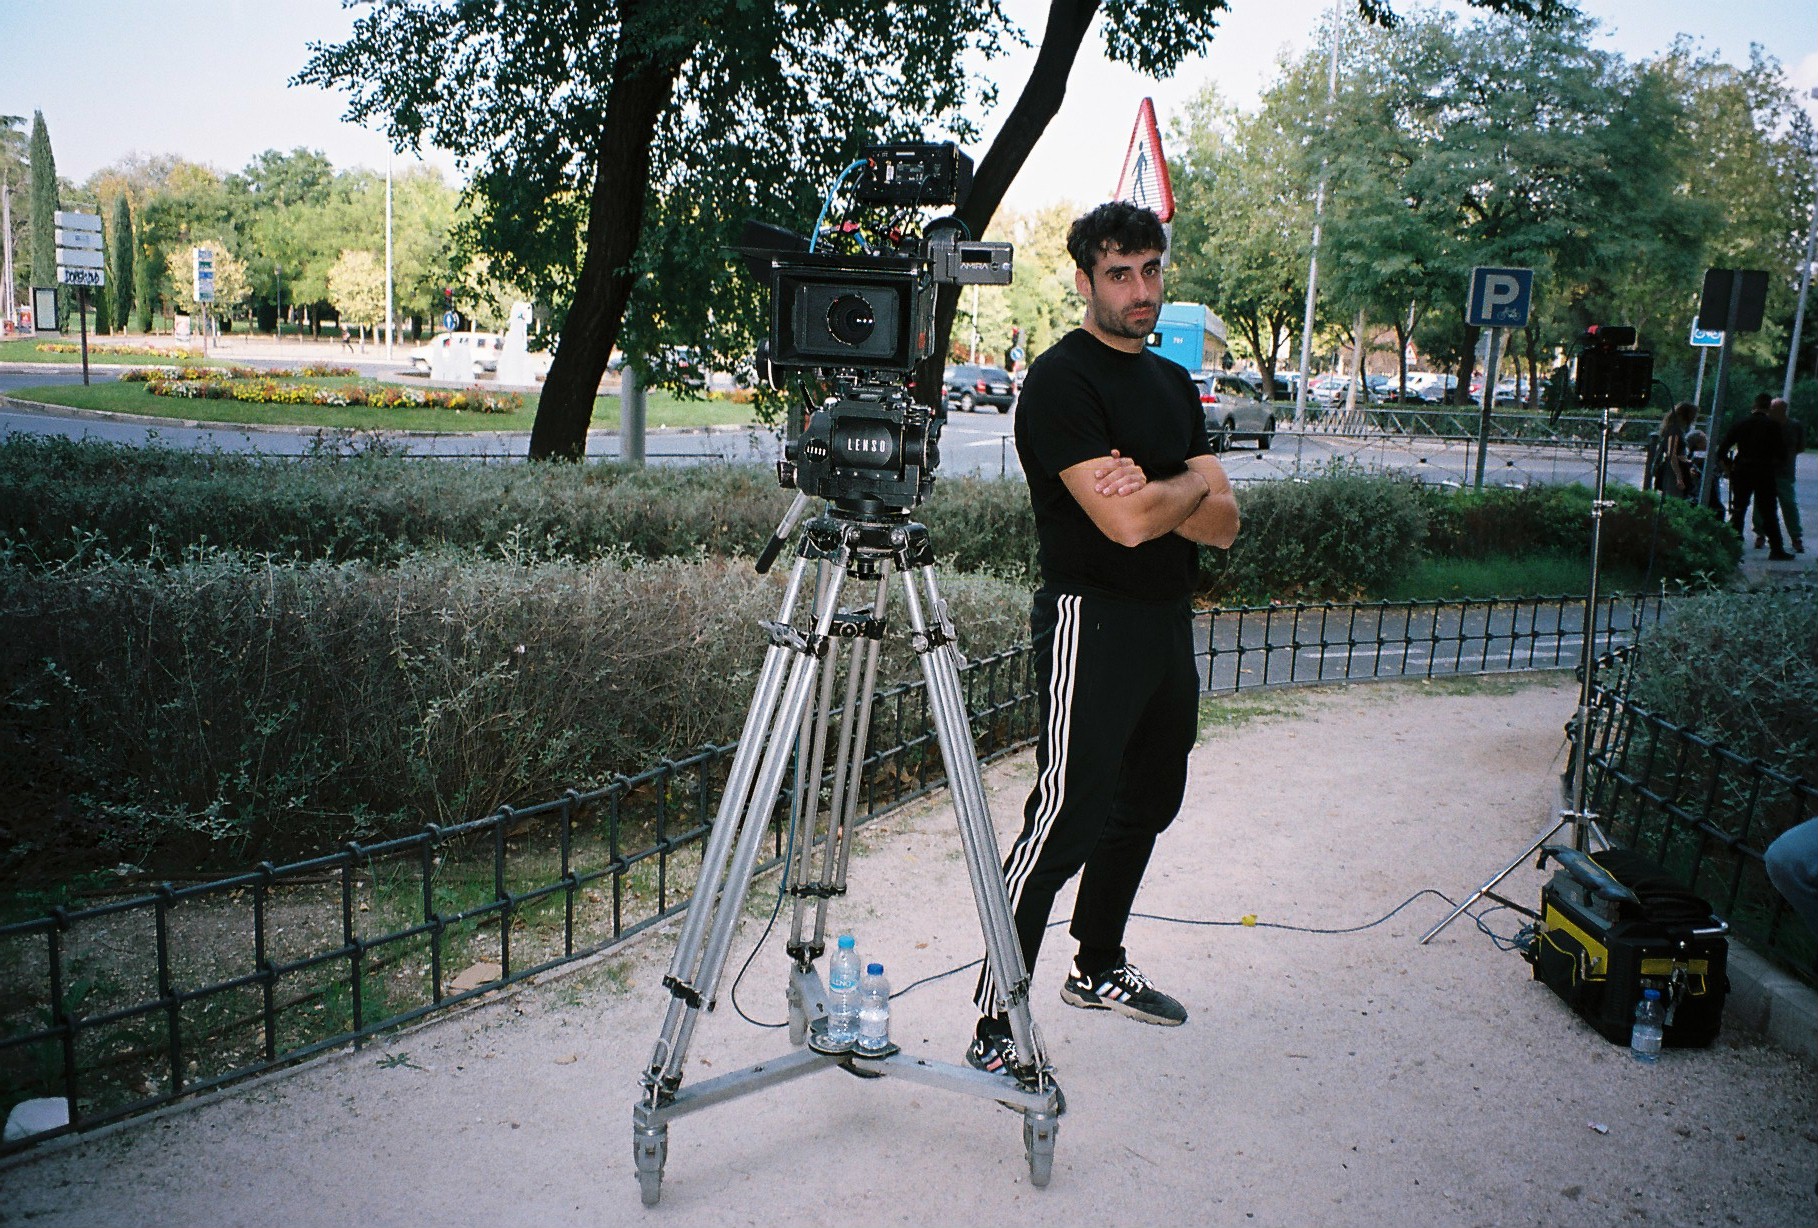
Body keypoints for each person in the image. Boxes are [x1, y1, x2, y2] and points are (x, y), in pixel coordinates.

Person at [967, 201, 1241, 1077]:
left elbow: (1225, 523)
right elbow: (1123, 526)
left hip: (1166, 619)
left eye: (1151, 270)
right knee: (1062, 823)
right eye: (1120, 274)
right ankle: (996, 1017)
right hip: (1091, 618)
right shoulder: (1061, 382)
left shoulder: (1170, 384)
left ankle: (1096, 965)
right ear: (1085, 281)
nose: (1140, 289)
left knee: (1150, 801)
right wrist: (1185, 483)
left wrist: (1160, 485)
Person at [1719, 392, 1792, 560]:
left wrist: (1730, 468)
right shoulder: (1773, 426)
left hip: (1742, 470)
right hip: (1764, 471)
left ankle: (1733, 544)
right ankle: (1776, 548)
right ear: (1769, 407)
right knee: (1768, 511)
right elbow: (1782, 454)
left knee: (1739, 508)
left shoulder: (1741, 424)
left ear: (1754, 405)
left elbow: (1721, 450)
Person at [1769, 397, 1805, 554]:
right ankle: (1760, 534)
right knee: (1762, 505)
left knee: (1789, 504)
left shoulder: (1794, 426)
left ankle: (1796, 537)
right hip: (1768, 471)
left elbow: (1800, 447)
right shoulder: (1768, 425)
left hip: (1785, 472)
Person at [1654, 402, 1697, 499]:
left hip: (1674, 469)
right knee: (1674, 498)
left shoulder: (1676, 430)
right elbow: (1672, 453)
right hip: (1672, 471)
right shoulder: (1675, 431)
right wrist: (1679, 477)